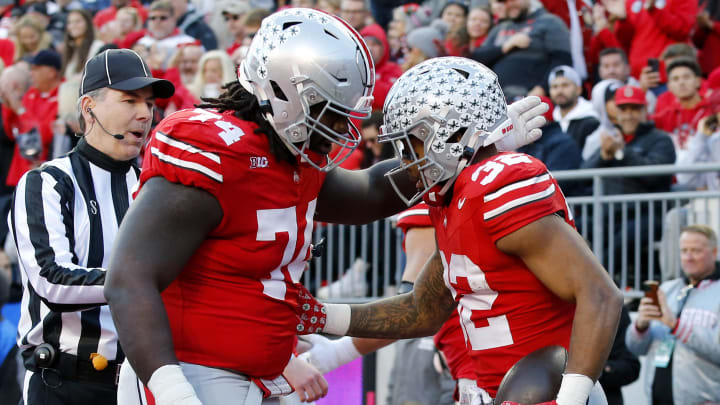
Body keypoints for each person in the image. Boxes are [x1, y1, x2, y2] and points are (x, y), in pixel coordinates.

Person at [103, 9, 549, 405]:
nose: (338, 130)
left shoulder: (288, 158)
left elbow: (370, 193)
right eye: (329, 113)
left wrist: (468, 144)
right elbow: (129, 278)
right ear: (281, 91)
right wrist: (172, 390)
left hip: (259, 377)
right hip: (193, 376)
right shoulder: (215, 153)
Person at [298, 56, 622, 405]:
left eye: (413, 143)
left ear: (452, 135)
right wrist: (320, 315)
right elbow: (421, 311)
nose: (405, 160)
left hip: (545, 392)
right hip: (494, 390)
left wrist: (571, 397)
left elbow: (601, 295)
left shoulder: (496, 183)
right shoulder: (453, 202)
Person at [8, 48, 175, 405]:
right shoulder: (48, 182)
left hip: (138, 384)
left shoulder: (156, 186)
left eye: (149, 103)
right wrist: (138, 283)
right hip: (62, 382)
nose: (145, 113)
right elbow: (51, 280)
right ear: (89, 108)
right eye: (130, 100)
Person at [626, 224, 720, 405]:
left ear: (714, 252)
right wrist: (640, 327)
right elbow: (636, 349)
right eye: (684, 250)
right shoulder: (668, 289)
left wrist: (676, 325)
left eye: (696, 251)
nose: (688, 257)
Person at [471, 0, 571, 95]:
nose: (509, 4)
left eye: (513, 0)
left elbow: (562, 60)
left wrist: (542, 88)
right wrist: (505, 47)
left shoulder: (550, 22)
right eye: (504, 1)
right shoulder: (499, 28)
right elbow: (476, 59)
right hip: (495, 96)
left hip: (528, 95)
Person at [547, 65, 600, 152]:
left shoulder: (592, 121)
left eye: (565, 85)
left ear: (578, 89)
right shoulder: (551, 121)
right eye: (555, 87)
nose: (559, 91)